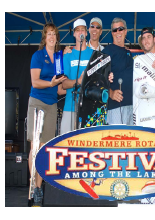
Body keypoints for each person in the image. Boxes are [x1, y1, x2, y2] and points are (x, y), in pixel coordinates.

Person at [27, 23, 67, 206]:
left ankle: (39, 187)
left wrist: (74, 85)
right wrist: (51, 84)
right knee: (35, 146)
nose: (52, 37)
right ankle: (33, 188)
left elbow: (59, 90)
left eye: (54, 34)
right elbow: (35, 82)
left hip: (52, 105)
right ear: (44, 38)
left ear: (57, 38)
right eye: (49, 34)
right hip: (37, 103)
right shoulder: (38, 56)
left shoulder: (59, 58)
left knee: (44, 148)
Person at [60, 19, 113, 134]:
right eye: (77, 30)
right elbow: (63, 84)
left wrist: (108, 77)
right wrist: (78, 81)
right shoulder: (67, 55)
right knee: (66, 147)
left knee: (87, 148)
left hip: (90, 108)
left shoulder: (94, 55)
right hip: (70, 107)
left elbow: (100, 81)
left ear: (86, 32)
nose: (80, 32)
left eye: (82, 30)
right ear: (73, 34)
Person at [102, 17, 134, 125]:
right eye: (115, 30)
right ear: (112, 33)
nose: (118, 32)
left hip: (132, 106)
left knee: (131, 141)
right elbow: (97, 78)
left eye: (120, 29)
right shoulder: (106, 52)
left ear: (125, 31)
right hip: (116, 107)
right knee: (116, 140)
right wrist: (110, 93)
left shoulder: (129, 53)